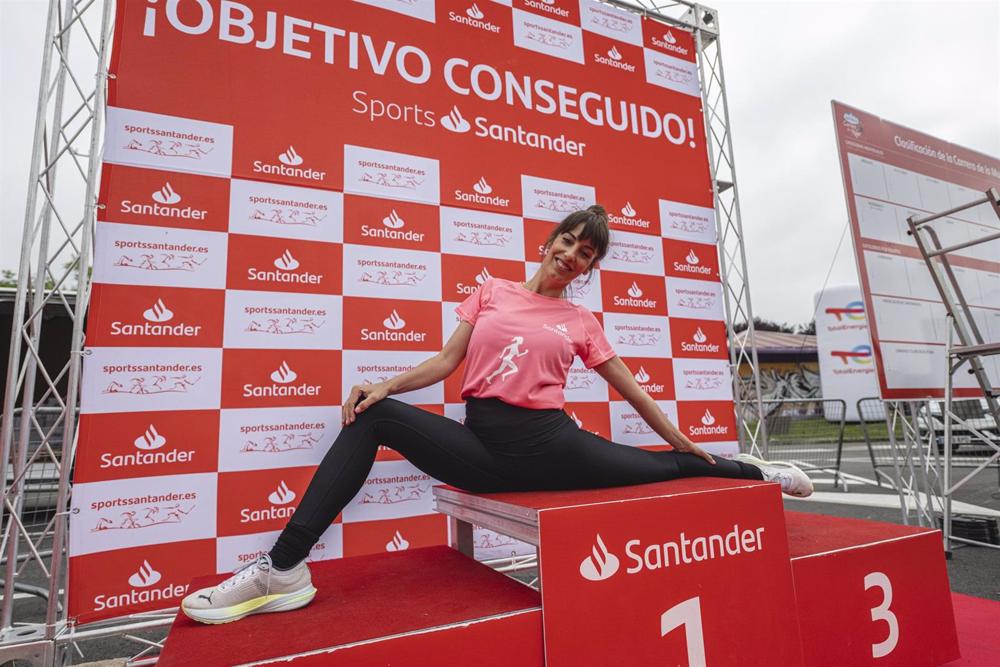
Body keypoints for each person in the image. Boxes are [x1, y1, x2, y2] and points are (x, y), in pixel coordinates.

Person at [181, 205, 812, 624]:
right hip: (483, 451)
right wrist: (383, 382)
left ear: (591, 268)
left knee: (669, 466)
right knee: (374, 418)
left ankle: (756, 472)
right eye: (569, 241)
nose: (574, 254)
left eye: (588, 253)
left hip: (554, 444)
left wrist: (683, 436)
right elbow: (446, 361)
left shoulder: (581, 321)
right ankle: (284, 569)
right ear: (550, 241)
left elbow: (631, 388)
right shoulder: (491, 292)